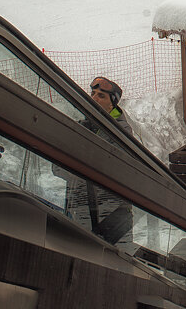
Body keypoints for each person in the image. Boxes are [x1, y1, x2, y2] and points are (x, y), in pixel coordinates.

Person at [57, 76, 135, 247]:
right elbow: (57, 166)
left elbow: (111, 172)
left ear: (112, 104)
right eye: (93, 93)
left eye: (101, 96)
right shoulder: (84, 126)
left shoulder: (122, 135)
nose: (93, 99)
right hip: (80, 213)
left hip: (111, 221)